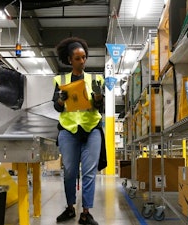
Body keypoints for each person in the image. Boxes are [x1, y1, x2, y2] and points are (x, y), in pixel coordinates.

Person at [52, 37, 105, 225]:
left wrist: (98, 97)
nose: (82, 62)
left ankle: (86, 213)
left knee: (89, 172)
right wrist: (60, 99)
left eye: (84, 57)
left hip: (92, 129)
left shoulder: (96, 79)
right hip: (68, 130)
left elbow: (100, 107)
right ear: (69, 60)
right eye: (77, 58)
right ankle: (69, 208)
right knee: (70, 172)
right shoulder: (61, 80)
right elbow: (57, 108)